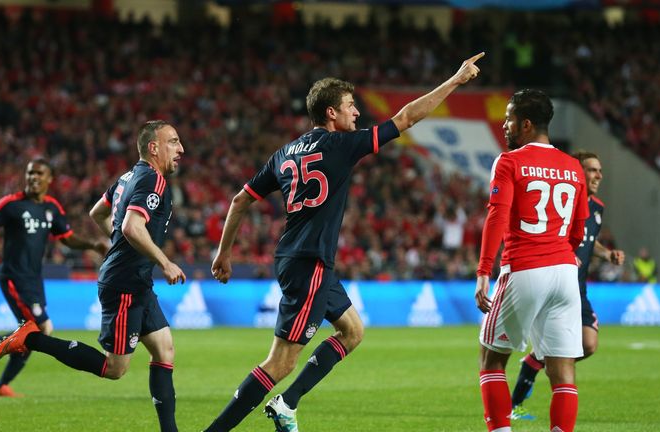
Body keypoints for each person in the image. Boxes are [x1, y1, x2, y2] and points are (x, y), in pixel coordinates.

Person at [203, 52, 485, 432]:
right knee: (281, 362)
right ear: (331, 114)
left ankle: (287, 403)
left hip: (301, 258)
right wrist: (455, 81)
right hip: (309, 263)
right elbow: (407, 118)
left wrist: (224, 253)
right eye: (351, 107)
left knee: (352, 330)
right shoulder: (341, 145)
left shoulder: (285, 153)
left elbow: (240, 200)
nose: (357, 113)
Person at [0, 120, 186, 432]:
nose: (181, 149)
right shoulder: (154, 180)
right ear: (154, 148)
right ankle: (31, 338)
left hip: (135, 280)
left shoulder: (127, 177)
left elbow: (98, 212)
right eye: (174, 142)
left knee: (165, 350)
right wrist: (165, 262)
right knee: (114, 368)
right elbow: (132, 227)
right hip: (125, 284)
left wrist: (122, 245)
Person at [474, 89, 589, 432]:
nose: (505, 126)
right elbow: (578, 230)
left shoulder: (510, 161)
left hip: (525, 268)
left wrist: (483, 271)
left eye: (509, 119)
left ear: (525, 124)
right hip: (565, 272)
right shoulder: (573, 167)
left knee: (491, 359)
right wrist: (563, 252)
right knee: (563, 370)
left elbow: (497, 216)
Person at [0, 158, 109, 397]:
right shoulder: (10, 204)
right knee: (40, 329)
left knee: (34, 334)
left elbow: (67, 237)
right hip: (14, 277)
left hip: (34, 280)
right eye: (30, 173)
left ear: (49, 179)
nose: (33, 177)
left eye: (39, 174)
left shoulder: (51, 208)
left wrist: (93, 244)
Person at [509, 151, 625, 420]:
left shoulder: (596, 207)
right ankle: (516, 404)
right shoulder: (562, 200)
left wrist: (606, 254)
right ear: (577, 171)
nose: (598, 175)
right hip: (555, 284)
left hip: (578, 288)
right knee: (559, 356)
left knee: (589, 344)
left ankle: (533, 361)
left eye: (600, 170)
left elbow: (588, 241)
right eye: (592, 170)